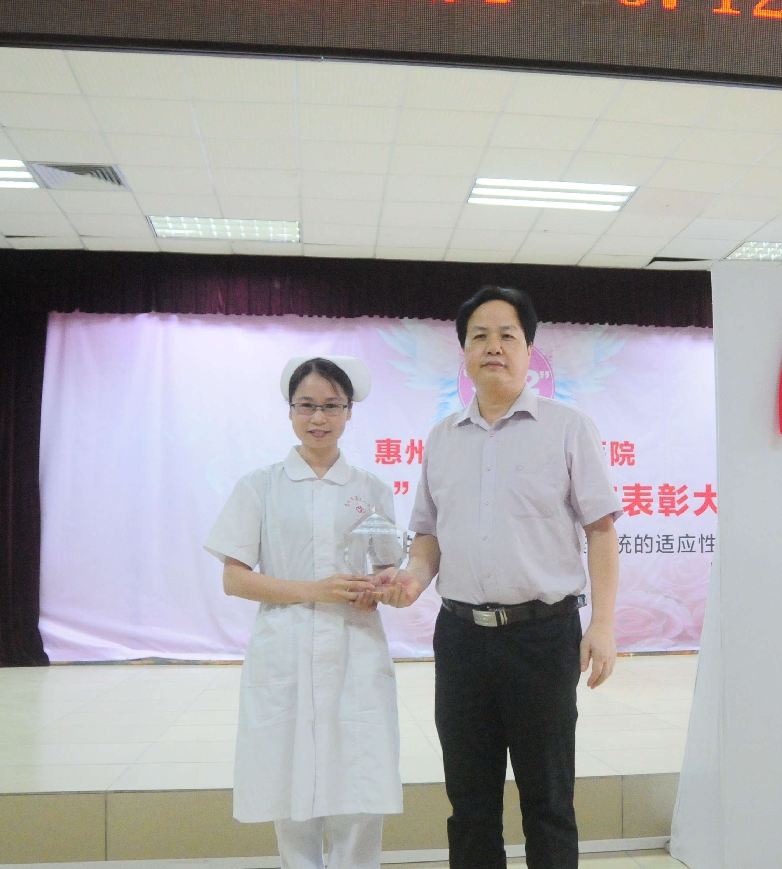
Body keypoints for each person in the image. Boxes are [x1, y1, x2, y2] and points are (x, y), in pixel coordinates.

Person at [377, 286, 623, 869]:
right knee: (469, 804)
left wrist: (604, 625)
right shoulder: (442, 437)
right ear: (463, 352)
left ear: (529, 349)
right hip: (461, 639)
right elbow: (428, 535)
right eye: (479, 336)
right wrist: (411, 580)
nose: (493, 346)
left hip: (543, 637)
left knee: (548, 801)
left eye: (507, 335)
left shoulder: (568, 428)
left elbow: (601, 531)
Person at [204, 355, 401, 869]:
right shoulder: (260, 486)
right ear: (289, 410)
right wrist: (314, 590)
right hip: (285, 646)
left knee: (359, 779)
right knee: (289, 780)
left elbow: (387, 566)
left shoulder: (371, 490)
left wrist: (378, 588)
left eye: (332, 406)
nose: (319, 418)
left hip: (356, 645)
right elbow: (234, 578)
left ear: (349, 411)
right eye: (306, 405)